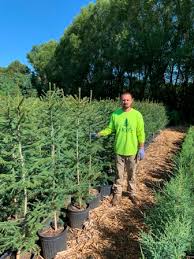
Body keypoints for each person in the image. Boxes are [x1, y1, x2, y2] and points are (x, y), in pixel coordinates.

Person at [91, 92, 145, 205]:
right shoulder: (115, 114)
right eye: (123, 100)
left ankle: (132, 193)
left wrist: (141, 148)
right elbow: (110, 129)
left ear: (132, 101)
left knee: (132, 174)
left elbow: (141, 132)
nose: (125, 102)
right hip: (119, 150)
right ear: (121, 101)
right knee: (119, 175)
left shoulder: (137, 115)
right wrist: (99, 134)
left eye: (127, 100)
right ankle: (117, 194)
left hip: (132, 151)